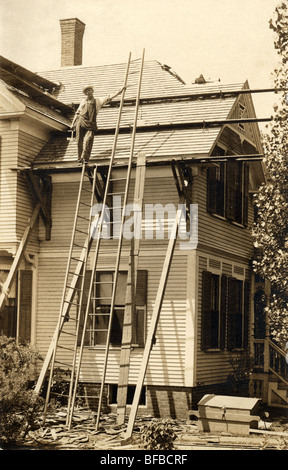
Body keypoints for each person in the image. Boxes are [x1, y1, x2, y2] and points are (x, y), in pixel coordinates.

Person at [71, 85, 125, 163]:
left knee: (89, 139)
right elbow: (78, 112)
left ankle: (85, 158)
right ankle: (79, 158)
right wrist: (73, 123)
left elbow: (109, 97)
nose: (88, 92)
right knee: (79, 140)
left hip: (90, 124)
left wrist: (119, 91)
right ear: (85, 93)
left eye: (89, 90)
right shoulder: (83, 101)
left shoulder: (98, 101)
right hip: (80, 121)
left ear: (92, 91)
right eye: (86, 91)